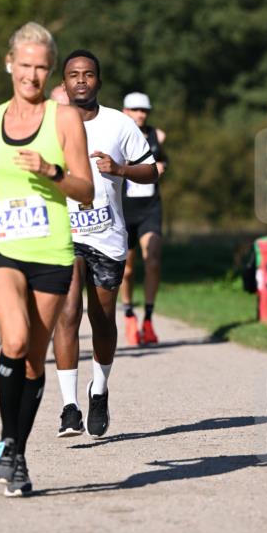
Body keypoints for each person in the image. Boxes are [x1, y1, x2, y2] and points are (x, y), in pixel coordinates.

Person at [0, 21, 93, 497]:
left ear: (51, 71)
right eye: (24, 65)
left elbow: (86, 191)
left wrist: (51, 171)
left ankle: (16, 454)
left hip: (50, 250)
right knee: (15, 338)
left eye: (41, 67)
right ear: (9, 64)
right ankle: (9, 442)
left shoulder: (64, 120)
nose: (31, 75)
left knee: (32, 361)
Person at [53, 51, 157, 438]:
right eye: (73, 74)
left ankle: (99, 389)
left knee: (102, 319)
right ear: (64, 83)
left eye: (88, 74)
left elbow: (151, 171)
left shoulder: (120, 124)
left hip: (108, 236)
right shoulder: (49, 124)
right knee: (67, 312)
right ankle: (69, 407)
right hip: (64, 235)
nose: (81, 80)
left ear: (99, 81)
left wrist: (120, 169)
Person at [121, 92, 168, 345]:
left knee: (153, 261)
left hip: (150, 209)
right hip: (125, 210)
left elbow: (163, 160)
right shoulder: (117, 135)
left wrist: (162, 167)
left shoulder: (157, 136)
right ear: (125, 111)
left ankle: (148, 320)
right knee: (127, 270)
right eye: (136, 110)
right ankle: (129, 314)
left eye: (144, 110)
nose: (141, 114)